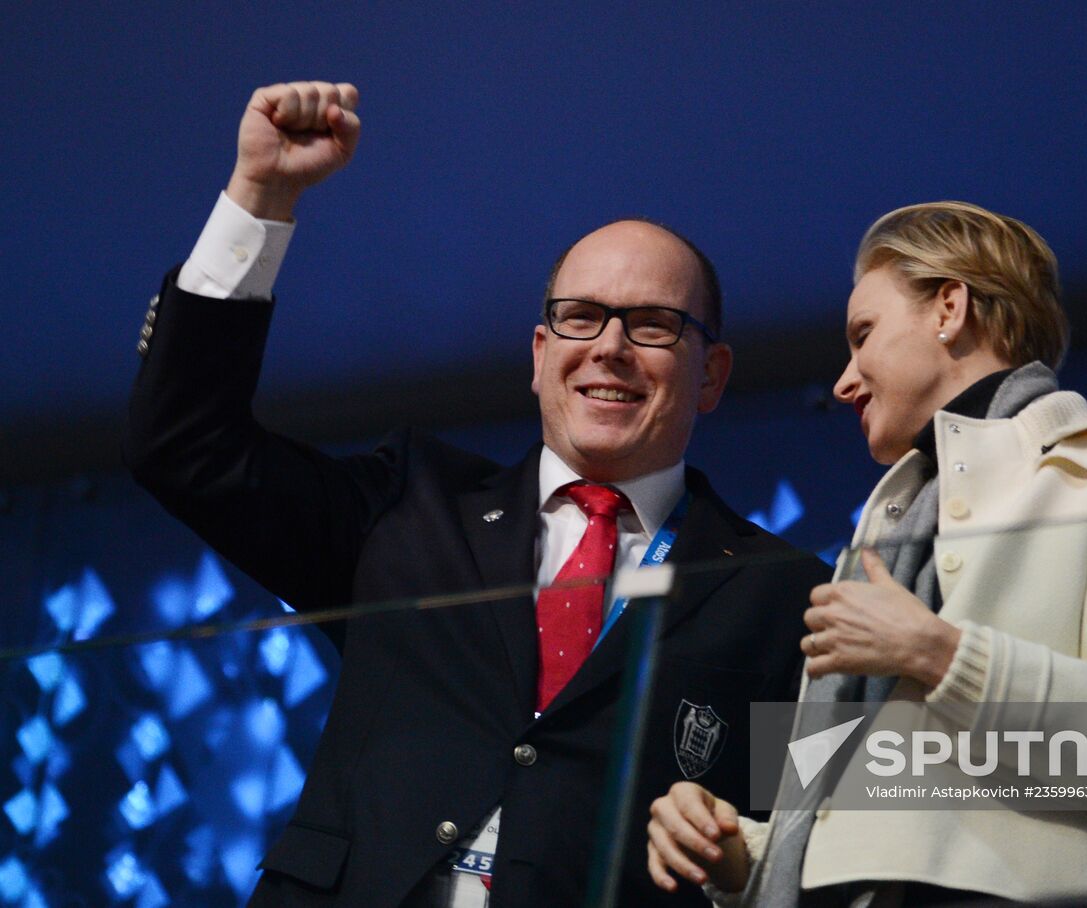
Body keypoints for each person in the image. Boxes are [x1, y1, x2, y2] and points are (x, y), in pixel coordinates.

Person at [123, 81, 830, 908]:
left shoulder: (784, 596)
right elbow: (183, 446)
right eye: (580, 317)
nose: (609, 348)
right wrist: (262, 195)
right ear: (538, 354)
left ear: (711, 374)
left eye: (652, 324)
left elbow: (818, 850)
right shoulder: (411, 505)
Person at [646, 201, 1087, 905]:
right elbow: (860, 820)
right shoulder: (884, 535)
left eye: (863, 334)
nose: (843, 381)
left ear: (949, 308)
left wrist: (939, 655)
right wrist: (737, 852)